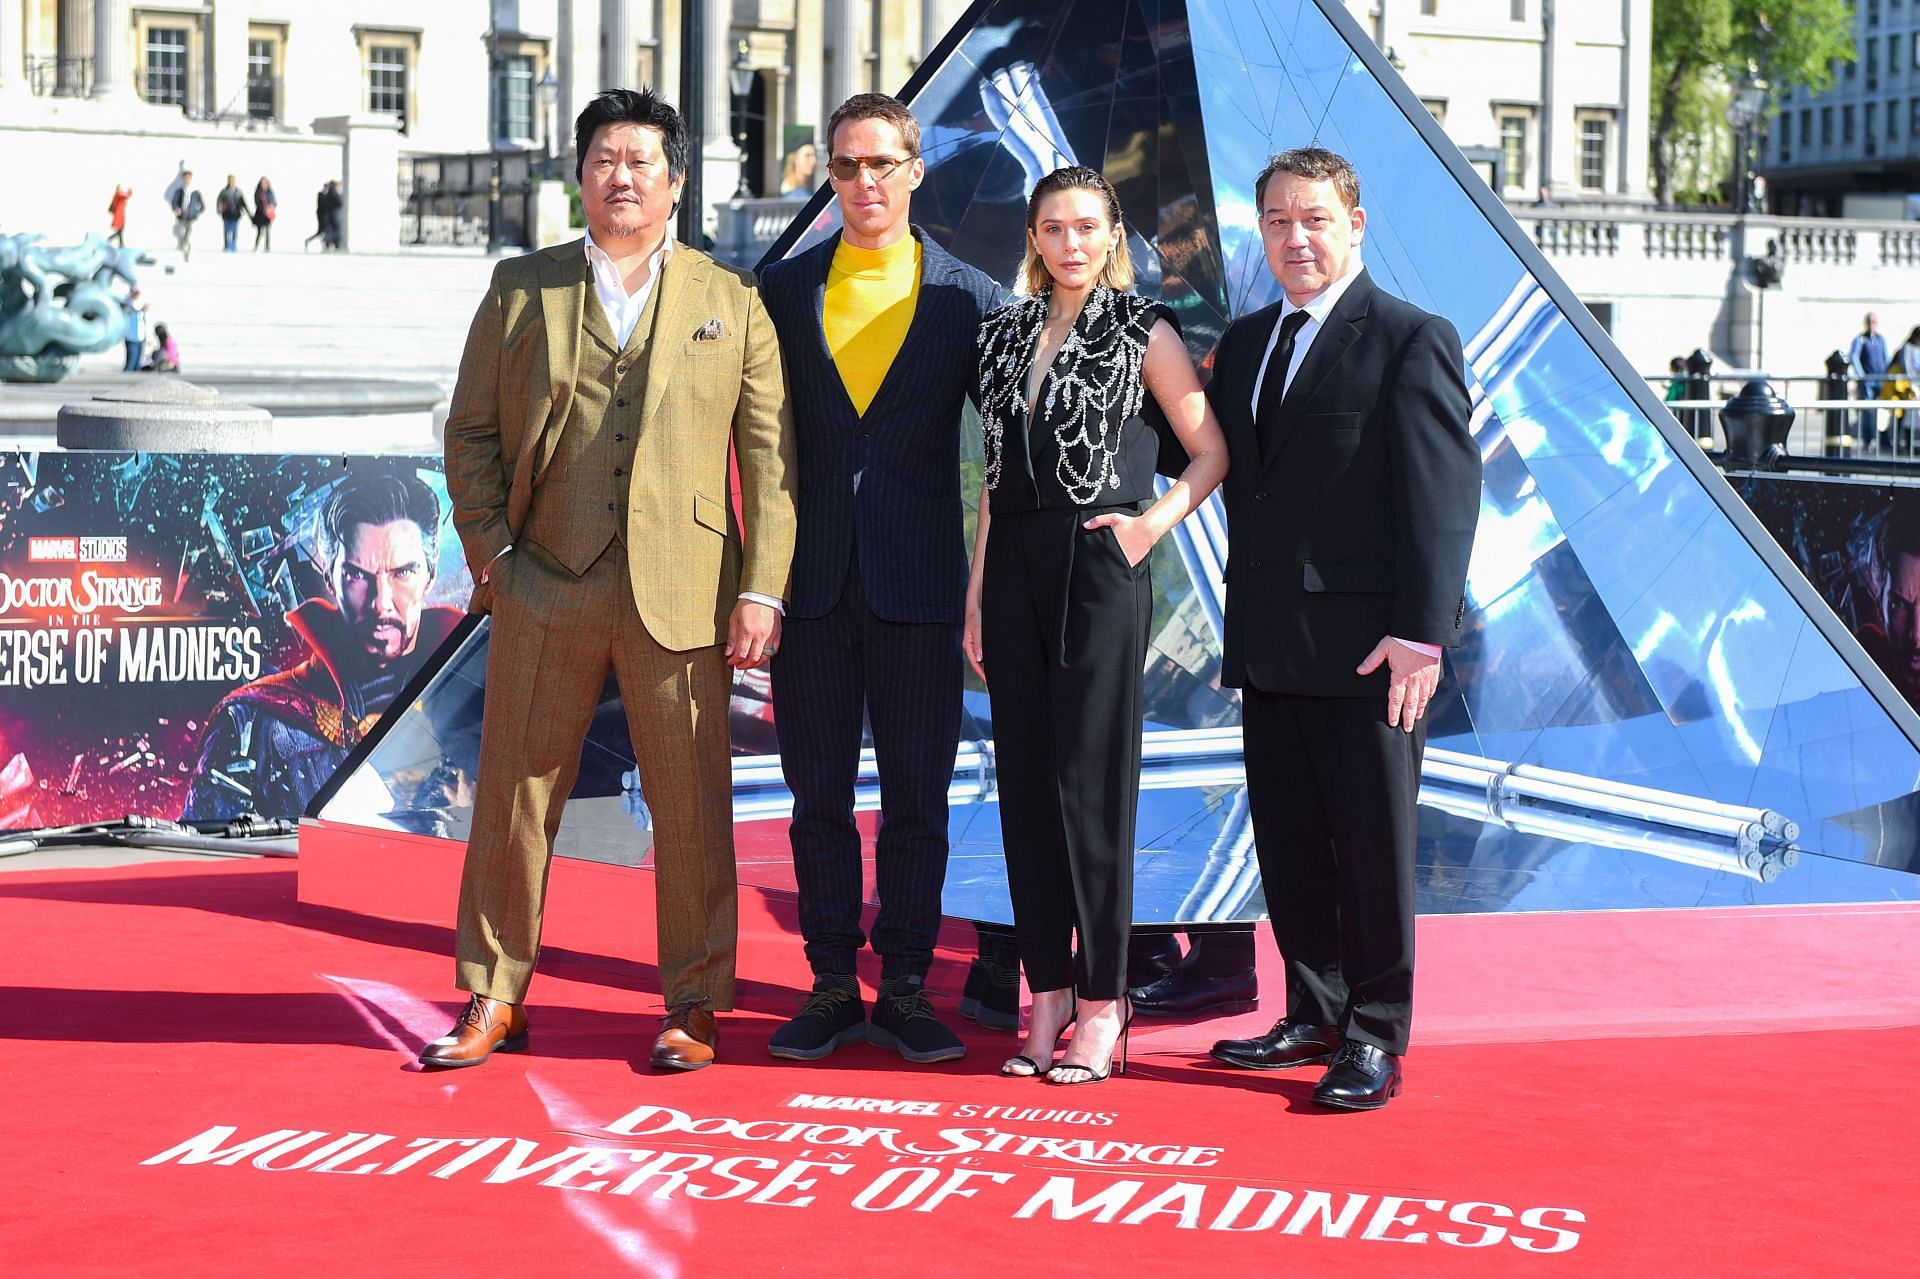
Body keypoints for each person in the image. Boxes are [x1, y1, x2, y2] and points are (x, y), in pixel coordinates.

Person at [428, 87, 796, 1073]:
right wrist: (496, 554)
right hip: (547, 577)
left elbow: (770, 465)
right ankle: (493, 994)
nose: (620, 176)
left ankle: (694, 1002)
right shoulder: (523, 287)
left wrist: (761, 588)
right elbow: (469, 434)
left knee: (690, 809)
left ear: (676, 182)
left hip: (685, 587)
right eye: (603, 160)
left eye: (640, 161)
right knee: (512, 798)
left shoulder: (733, 298)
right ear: (580, 177)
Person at [1204, 147, 1479, 1111]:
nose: (1296, 237)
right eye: (1277, 220)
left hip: (1371, 649)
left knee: (1371, 848)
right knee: (1289, 844)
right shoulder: (1241, 345)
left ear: (1355, 221)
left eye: (1314, 218)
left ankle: (1374, 1034)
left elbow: (1443, 493)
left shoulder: (1410, 337)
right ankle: (1313, 1011)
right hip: (1271, 643)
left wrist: (1421, 632)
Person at [965, 165, 1228, 1085]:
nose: (1069, 243)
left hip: (1099, 566)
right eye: (1052, 228)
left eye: (1085, 226)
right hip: (1014, 571)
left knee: (1091, 786)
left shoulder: (1143, 328)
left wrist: (1148, 527)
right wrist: (976, 593)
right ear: (1033, 238)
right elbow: (997, 480)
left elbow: (1209, 451)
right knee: (1026, 791)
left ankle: (1105, 1001)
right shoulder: (1001, 334)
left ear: (1111, 234)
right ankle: (1043, 993)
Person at [756, 93, 1001, 1065]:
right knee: (815, 798)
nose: (866, 183)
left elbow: (1019, 444)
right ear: (830, 172)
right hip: (807, 586)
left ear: (915, 171)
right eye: (849, 166)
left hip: (922, 586)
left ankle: (902, 985)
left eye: (883, 165)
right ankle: (827, 981)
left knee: (917, 800)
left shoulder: (969, 298)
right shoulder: (779, 292)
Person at [183, 470, 465, 821]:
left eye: (402, 572)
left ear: (430, 577)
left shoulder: (474, 709)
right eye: (358, 575)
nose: (381, 602)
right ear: (330, 579)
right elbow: (212, 860)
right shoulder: (251, 721)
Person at [1849, 312, 1890, 442]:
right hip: (1867, 381)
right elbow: (1854, 357)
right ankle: (1868, 439)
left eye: (1874, 322)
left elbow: (1886, 358)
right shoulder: (1860, 339)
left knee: (1882, 411)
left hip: (1880, 379)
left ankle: (1883, 438)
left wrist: (1887, 375)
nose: (1872, 325)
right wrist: (1861, 376)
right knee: (1867, 411)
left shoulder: (1881, 339)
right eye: (1870, 322)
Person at [171, 172, 204, 261]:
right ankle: (184, 249)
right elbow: (174, 203)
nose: (187, 179)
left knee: (188, 235)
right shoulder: (180, 191)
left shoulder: (196, 192)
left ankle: (187, 252)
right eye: (186, 178)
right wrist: (176, 209)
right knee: (181, 234)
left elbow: (202, 206)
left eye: (189, 178)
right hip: (182, 216)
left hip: (191, 217)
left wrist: (195, 212)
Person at [215, 175, 249, 253]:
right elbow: (219, 201)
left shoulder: (238, 192)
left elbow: (243, 202)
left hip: (235, 214)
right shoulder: (224, 191)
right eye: (230, 180)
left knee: (234, 230)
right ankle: (226, 245)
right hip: (226, 214)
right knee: (227, 230)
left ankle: (233, 245)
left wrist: (246, 211)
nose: (232, 182)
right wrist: (219, 209)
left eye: (233, 180)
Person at [122, 287, 148, 372]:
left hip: (140, 337)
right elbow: (133, 309)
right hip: (131, 337)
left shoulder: (141, 303)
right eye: (135, 293)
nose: (137, 295)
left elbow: (145, 322)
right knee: (131, 363)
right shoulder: (127, 302)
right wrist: (142, 309)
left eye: (138, 293)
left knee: (138, 365)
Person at [251, 177, 277, 251]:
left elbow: (274, 202)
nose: (264, 184)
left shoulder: (270, 192)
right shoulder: (258, 192)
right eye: (262, 183)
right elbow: (257, 202)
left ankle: (267, 247)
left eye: (265, 183)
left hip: (268, 215)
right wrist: (263, 209)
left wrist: (271, 207)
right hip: (260, 214)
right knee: (260, 231)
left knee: (267, 231)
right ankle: (256, 246)